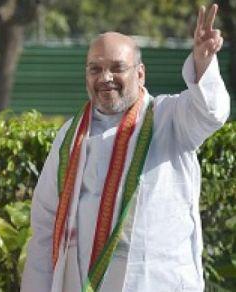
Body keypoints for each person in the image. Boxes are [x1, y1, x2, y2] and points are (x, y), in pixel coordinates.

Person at [21, 4, 230, 292]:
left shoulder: (168, 117)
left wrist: (203, 64)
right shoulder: (70, 135)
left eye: (117, 67)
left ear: (140, 74)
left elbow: (211, 113)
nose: (105, 77)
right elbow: (45, 224)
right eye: (95, 69)